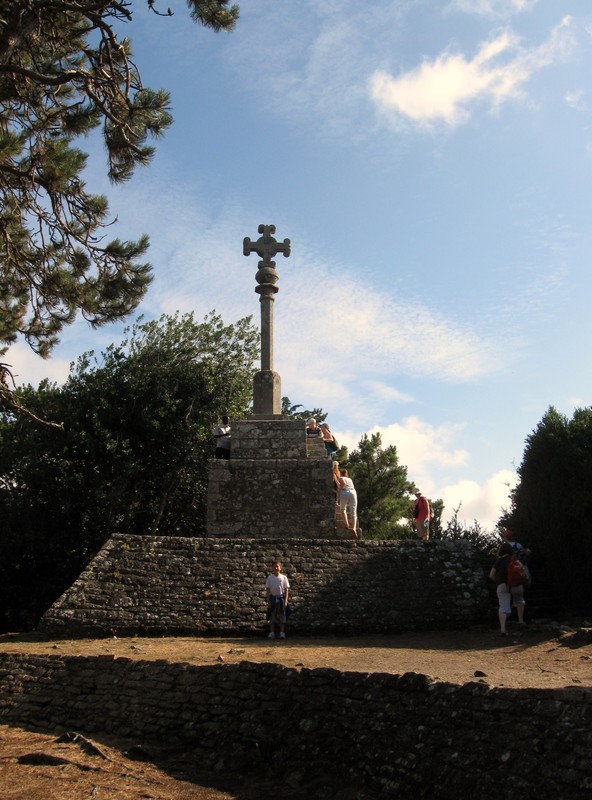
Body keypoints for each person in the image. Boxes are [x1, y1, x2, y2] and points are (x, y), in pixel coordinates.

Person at [489, 542, 526, 636]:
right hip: (515, 584)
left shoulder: (498, 561)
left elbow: (491, 575)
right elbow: (522, 568)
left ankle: (503, 629)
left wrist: (498, 581)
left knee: (503, 607)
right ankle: (520, 621)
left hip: (502, 585)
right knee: (519, 601)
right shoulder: (514, 559)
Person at [265, 561, 290, 640]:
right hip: (273, 598)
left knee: (282, 614)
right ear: (272, 568)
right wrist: (268, 601)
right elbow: (268, 590)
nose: (276, 568)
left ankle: (282, 632)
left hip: (281, 598)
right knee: (272, 614)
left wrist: (285, 600)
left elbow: (286, 590)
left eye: (277, 566)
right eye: (274, 567)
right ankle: (272, 632)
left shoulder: (284, 577)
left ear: (280, 568)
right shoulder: (270, 578)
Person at [338, 468, 359, 538]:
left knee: (342, 509)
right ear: (346, 474)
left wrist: (339, 491)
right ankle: (354, 528)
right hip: (353, 492)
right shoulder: (350, 479)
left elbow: (343, 483)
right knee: (353, 512)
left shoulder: (340, 478)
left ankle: (347, 525)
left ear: (341, 473)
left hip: (345, 492)